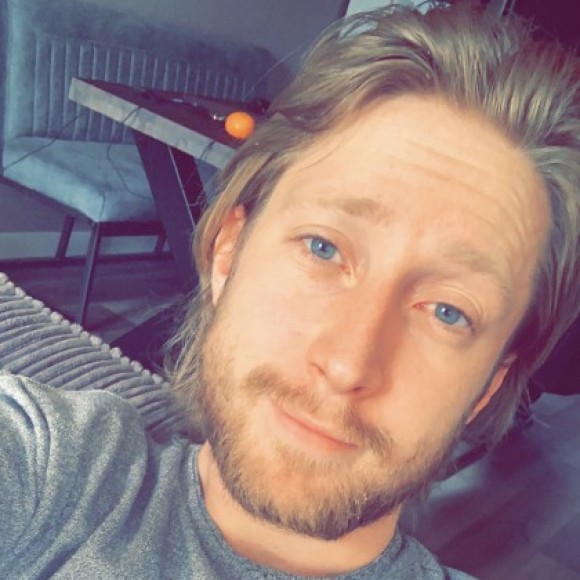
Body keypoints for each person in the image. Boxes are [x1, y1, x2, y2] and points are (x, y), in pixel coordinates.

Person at [1, 2, 579, 578]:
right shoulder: (53, 466)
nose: (347, 365)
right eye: (323, 247)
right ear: (229, 251)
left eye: (447, 311)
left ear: (487, 385)